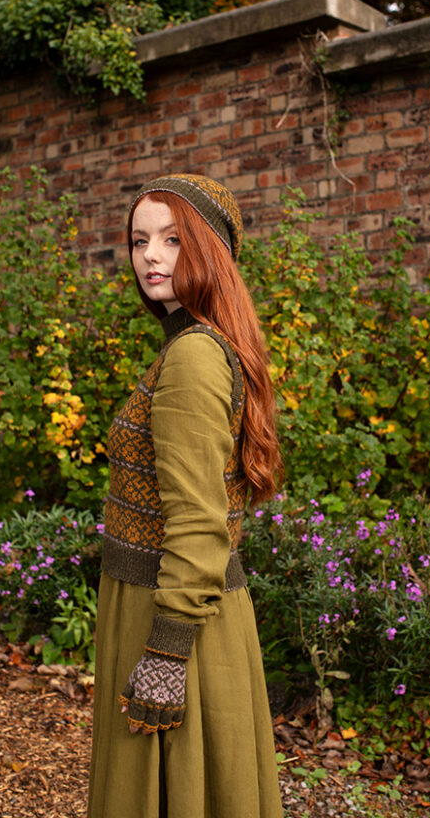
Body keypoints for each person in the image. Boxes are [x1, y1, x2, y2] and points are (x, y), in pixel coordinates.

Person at [87, 173, 283, 818]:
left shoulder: (194, 356)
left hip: (174, 620)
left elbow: (200, 523)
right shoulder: (194, 345)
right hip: (177, 606)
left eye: (172, 239)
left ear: (210, 251)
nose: (150, 256)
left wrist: (166, 652)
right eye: (140, 240)